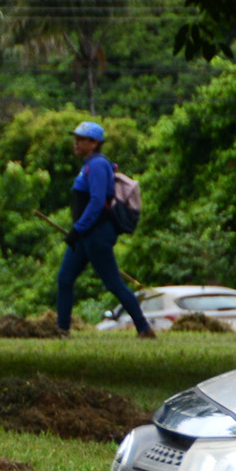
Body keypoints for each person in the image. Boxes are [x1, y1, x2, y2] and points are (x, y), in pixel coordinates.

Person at [58, 121, 153, 338]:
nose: (76, 143)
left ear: (94, 143)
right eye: (76, 139)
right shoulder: (88, 164)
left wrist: (78, 228)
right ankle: (61, 330)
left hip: (97, 233)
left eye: (81, 139)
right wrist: (78, 231)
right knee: (64, 279)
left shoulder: (98, 165)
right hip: (85, 234)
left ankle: (144, 328)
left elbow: (97, 201)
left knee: (113, 283)